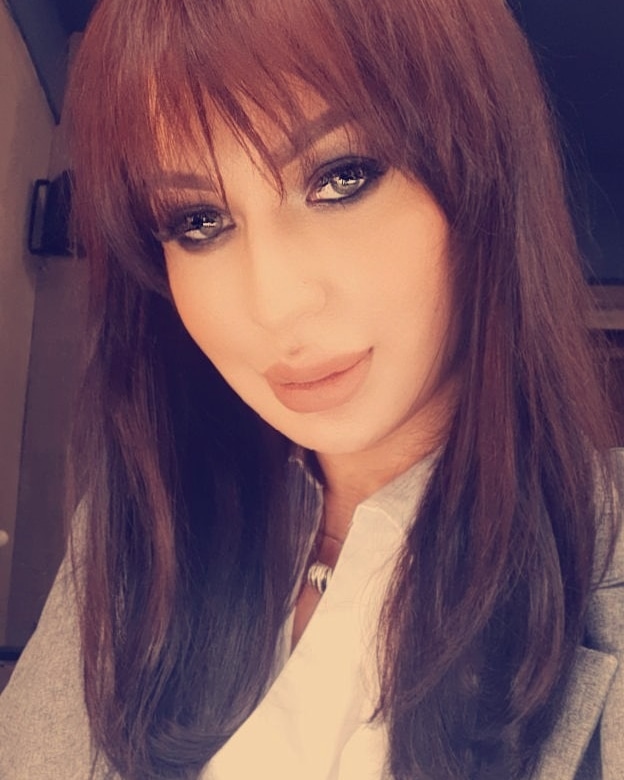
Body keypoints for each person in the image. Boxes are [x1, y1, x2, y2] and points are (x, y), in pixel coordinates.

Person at [1, 0, 623, 778]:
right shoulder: (135, 535)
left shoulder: (601, 563)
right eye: (199, 221)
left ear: (483, 171)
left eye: (341, 177)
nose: (275, 304)